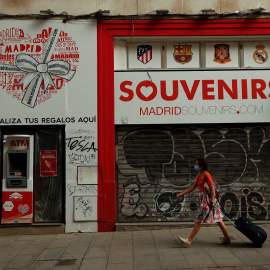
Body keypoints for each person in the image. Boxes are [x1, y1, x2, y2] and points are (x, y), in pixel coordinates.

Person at [176, 157, 231, 246]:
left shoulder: (206, 175)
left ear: (201, 166)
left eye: (197, 164)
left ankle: (189, 240)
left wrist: (212, 201)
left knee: (199, 219)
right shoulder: (199, 175)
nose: (195, 166)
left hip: (208, 200)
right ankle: (227, 239)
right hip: (205, 199)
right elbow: (193, 187)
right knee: (218, 219)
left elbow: (212, 189)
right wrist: (181, 194)